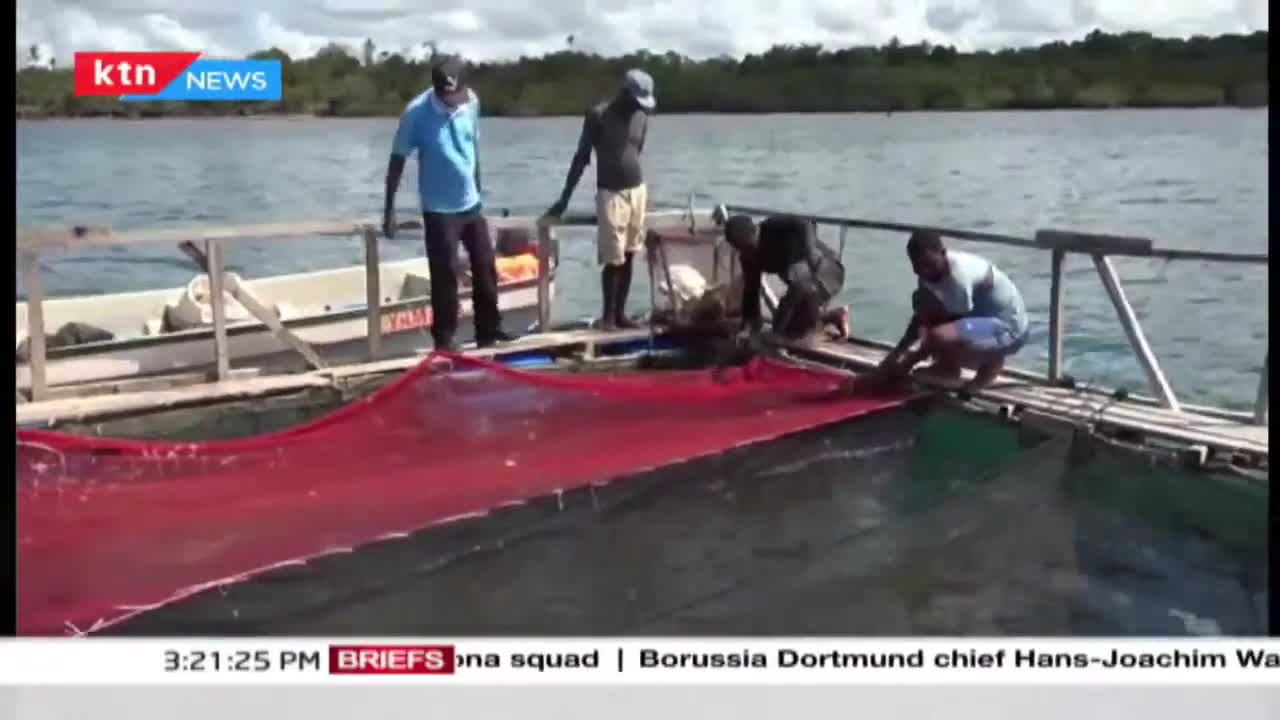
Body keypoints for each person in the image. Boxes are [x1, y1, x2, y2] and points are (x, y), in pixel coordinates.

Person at [382, 56, 513, 351]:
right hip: (439, 208)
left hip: (470, 203)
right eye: (449, 96)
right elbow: (397, 160)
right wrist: (389, 209)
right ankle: (445, 339)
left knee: (485, 266)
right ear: (438, 91)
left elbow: (473, 147)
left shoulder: (472, 103)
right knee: (445, 274)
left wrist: (478, 187)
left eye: (458, 95)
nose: (455, 101)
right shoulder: (416, 114)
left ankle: (489, 332)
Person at [545, 69, 655, 330]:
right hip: (611, 192)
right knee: (612, 258)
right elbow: (581, 157)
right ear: (625, 94)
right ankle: (607, 317)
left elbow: (636, 150)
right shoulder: (598, 115)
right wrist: (564, 199)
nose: (639, 107)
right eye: (637, 101)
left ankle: (620, 314)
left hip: (637, 191)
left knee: (629, 254)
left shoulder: (641, 116)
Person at [879, 229, 1029, 392]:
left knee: (940, 335)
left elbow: (951, 330)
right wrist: (895, 355)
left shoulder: (958, 278)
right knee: (923, 303)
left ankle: (989, 366)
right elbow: (921, 316)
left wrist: (906, 364)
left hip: (1009, 327)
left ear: (943, 253)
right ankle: (948, 367)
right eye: (918, 267)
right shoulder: (928, 272)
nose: (924, 272)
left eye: (929, 265)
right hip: (978, 318)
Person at [721, 214, 850, 343]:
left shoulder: (772, 227)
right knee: (786, 326)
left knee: (788, 332)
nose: (747, 252)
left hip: (826, 272)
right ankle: (833, 316)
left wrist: (809, 253)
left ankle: (809, 324)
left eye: (748, 246)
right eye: (741, 248)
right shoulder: (748, 257)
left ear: (755, 232)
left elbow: (805, 222)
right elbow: (751, 290)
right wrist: (747, 326)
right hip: (800, 285)